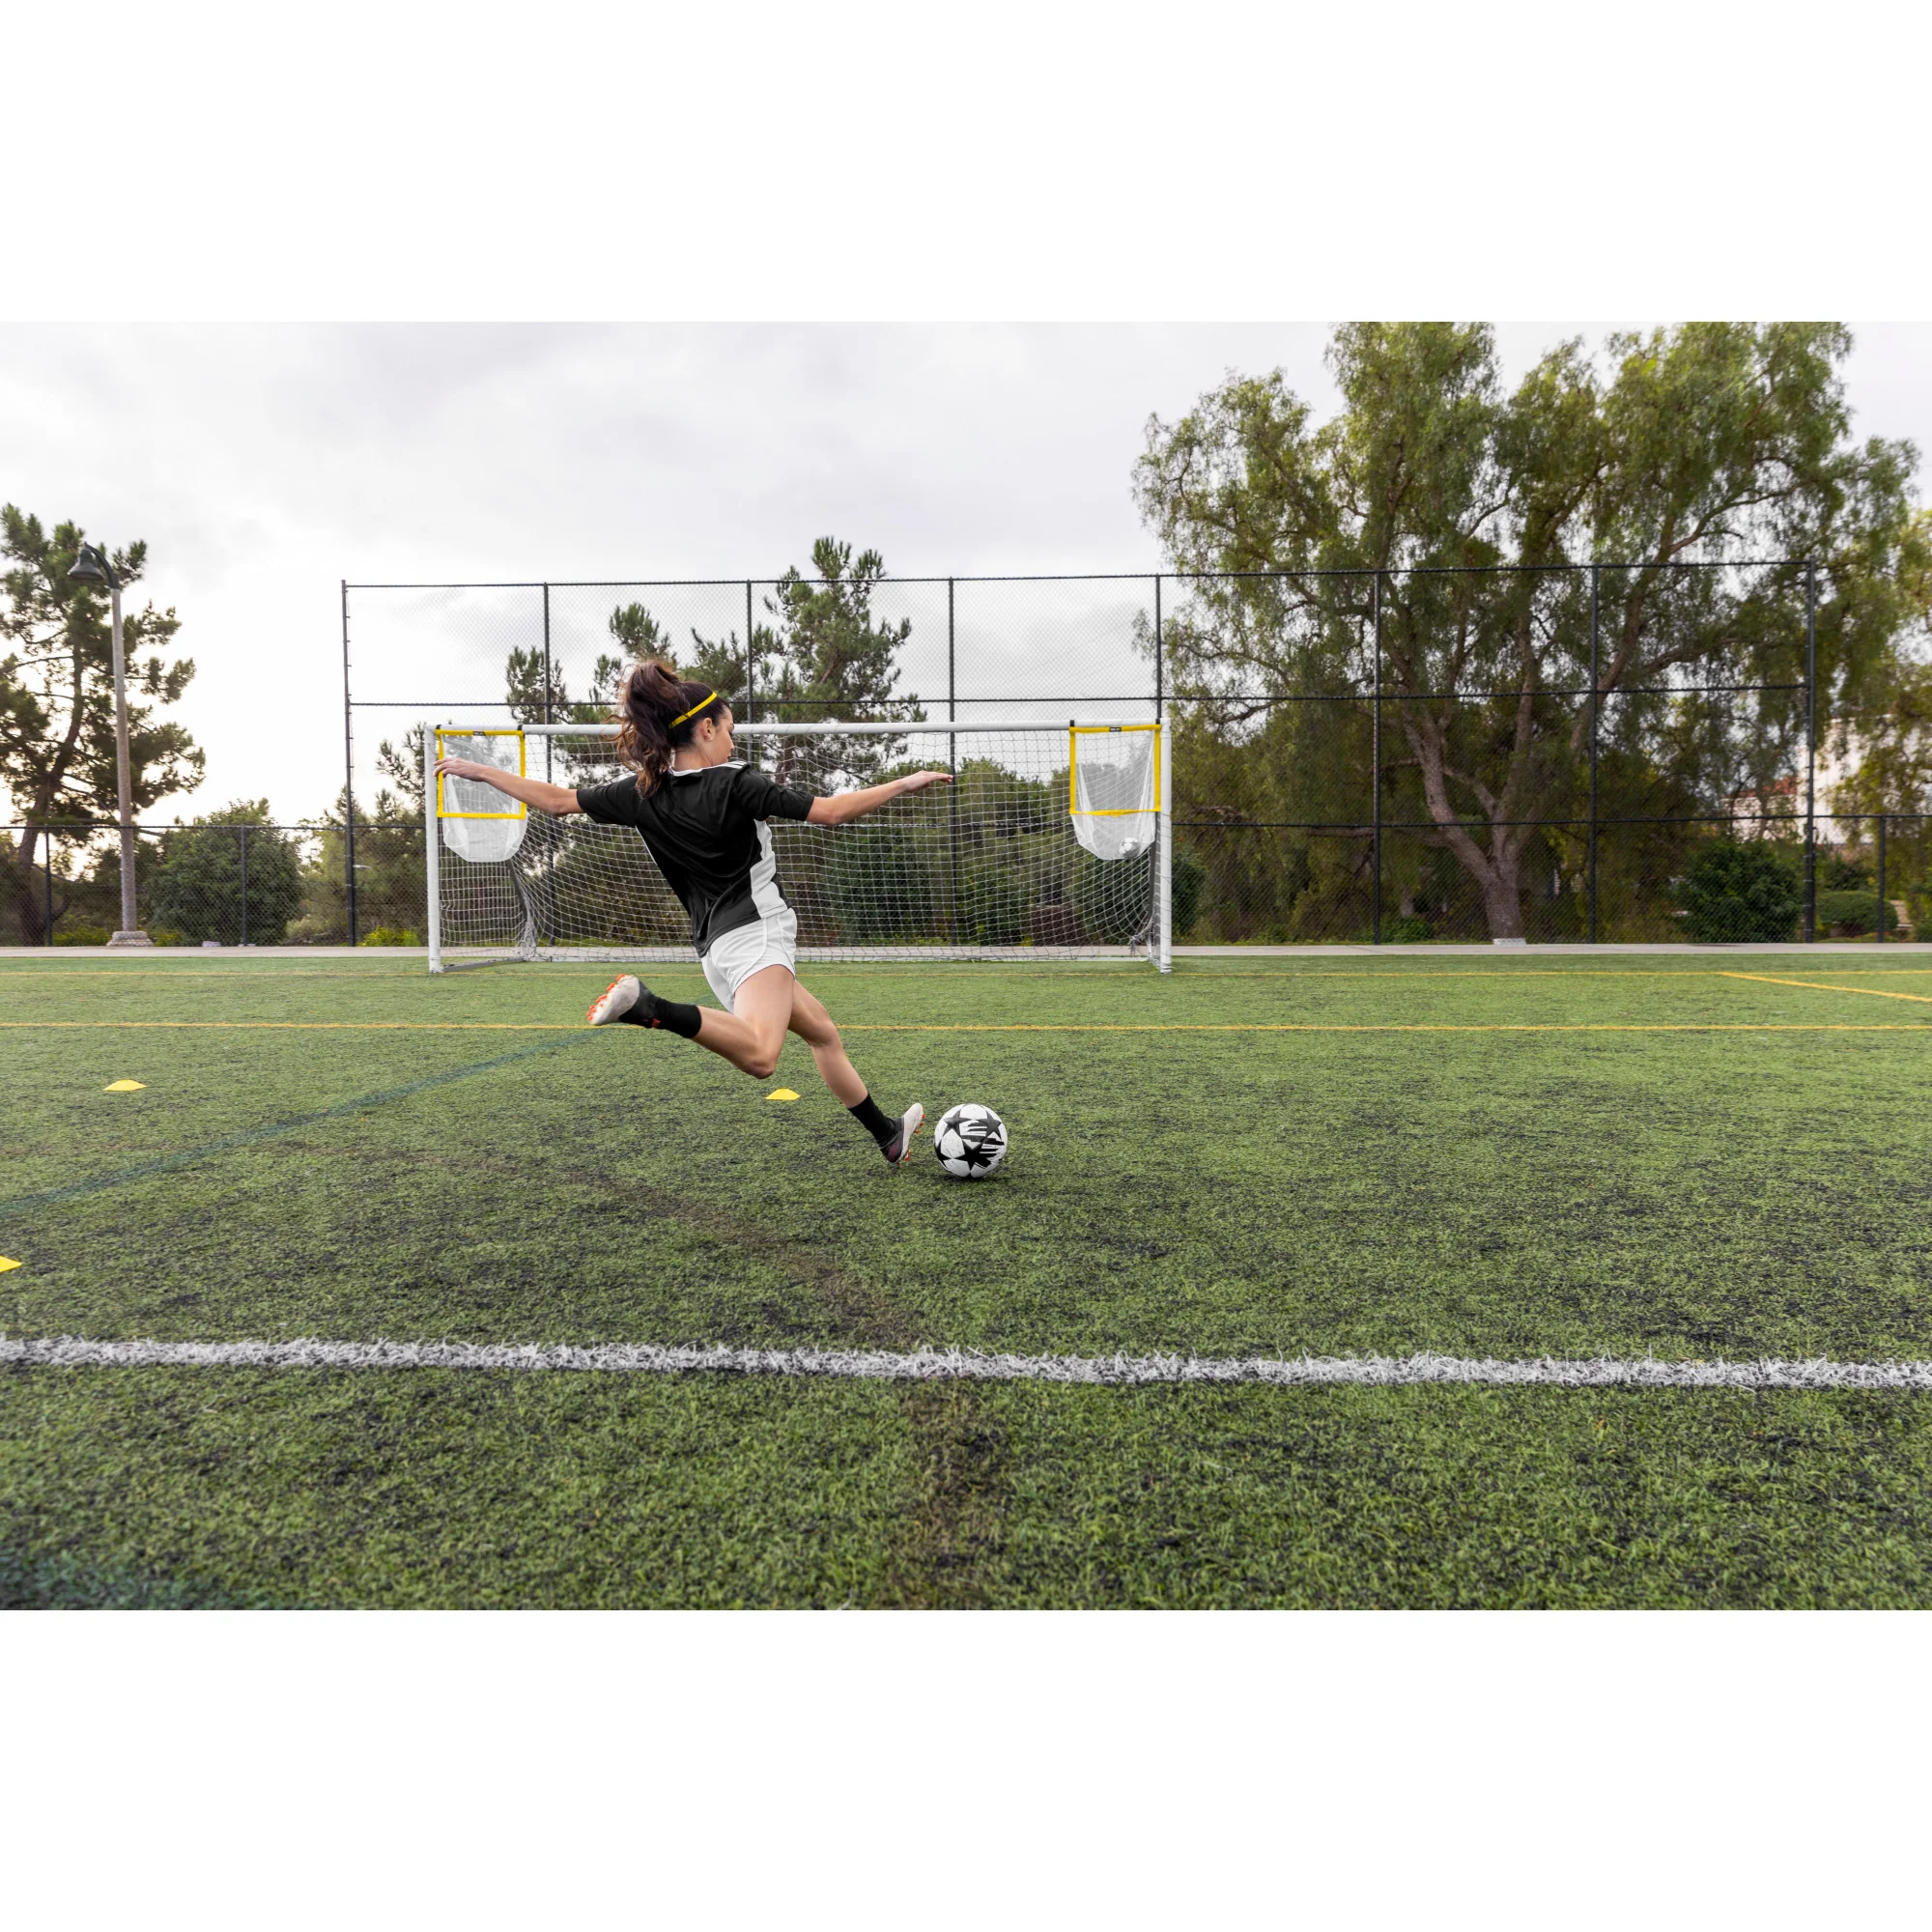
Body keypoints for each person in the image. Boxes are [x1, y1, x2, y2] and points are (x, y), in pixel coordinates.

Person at [434, 660, 951, 1168]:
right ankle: (648, 1006)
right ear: (706, 728)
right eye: (728, 729)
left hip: (716, 948)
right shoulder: (735, 782)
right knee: (762, 1056)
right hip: (758, 933)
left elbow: (557, 802)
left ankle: (887, 1134)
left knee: (821, 1033)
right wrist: (903, 784)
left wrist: (480, 771)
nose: (732, 740)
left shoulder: (643, 791)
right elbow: (833, 813)